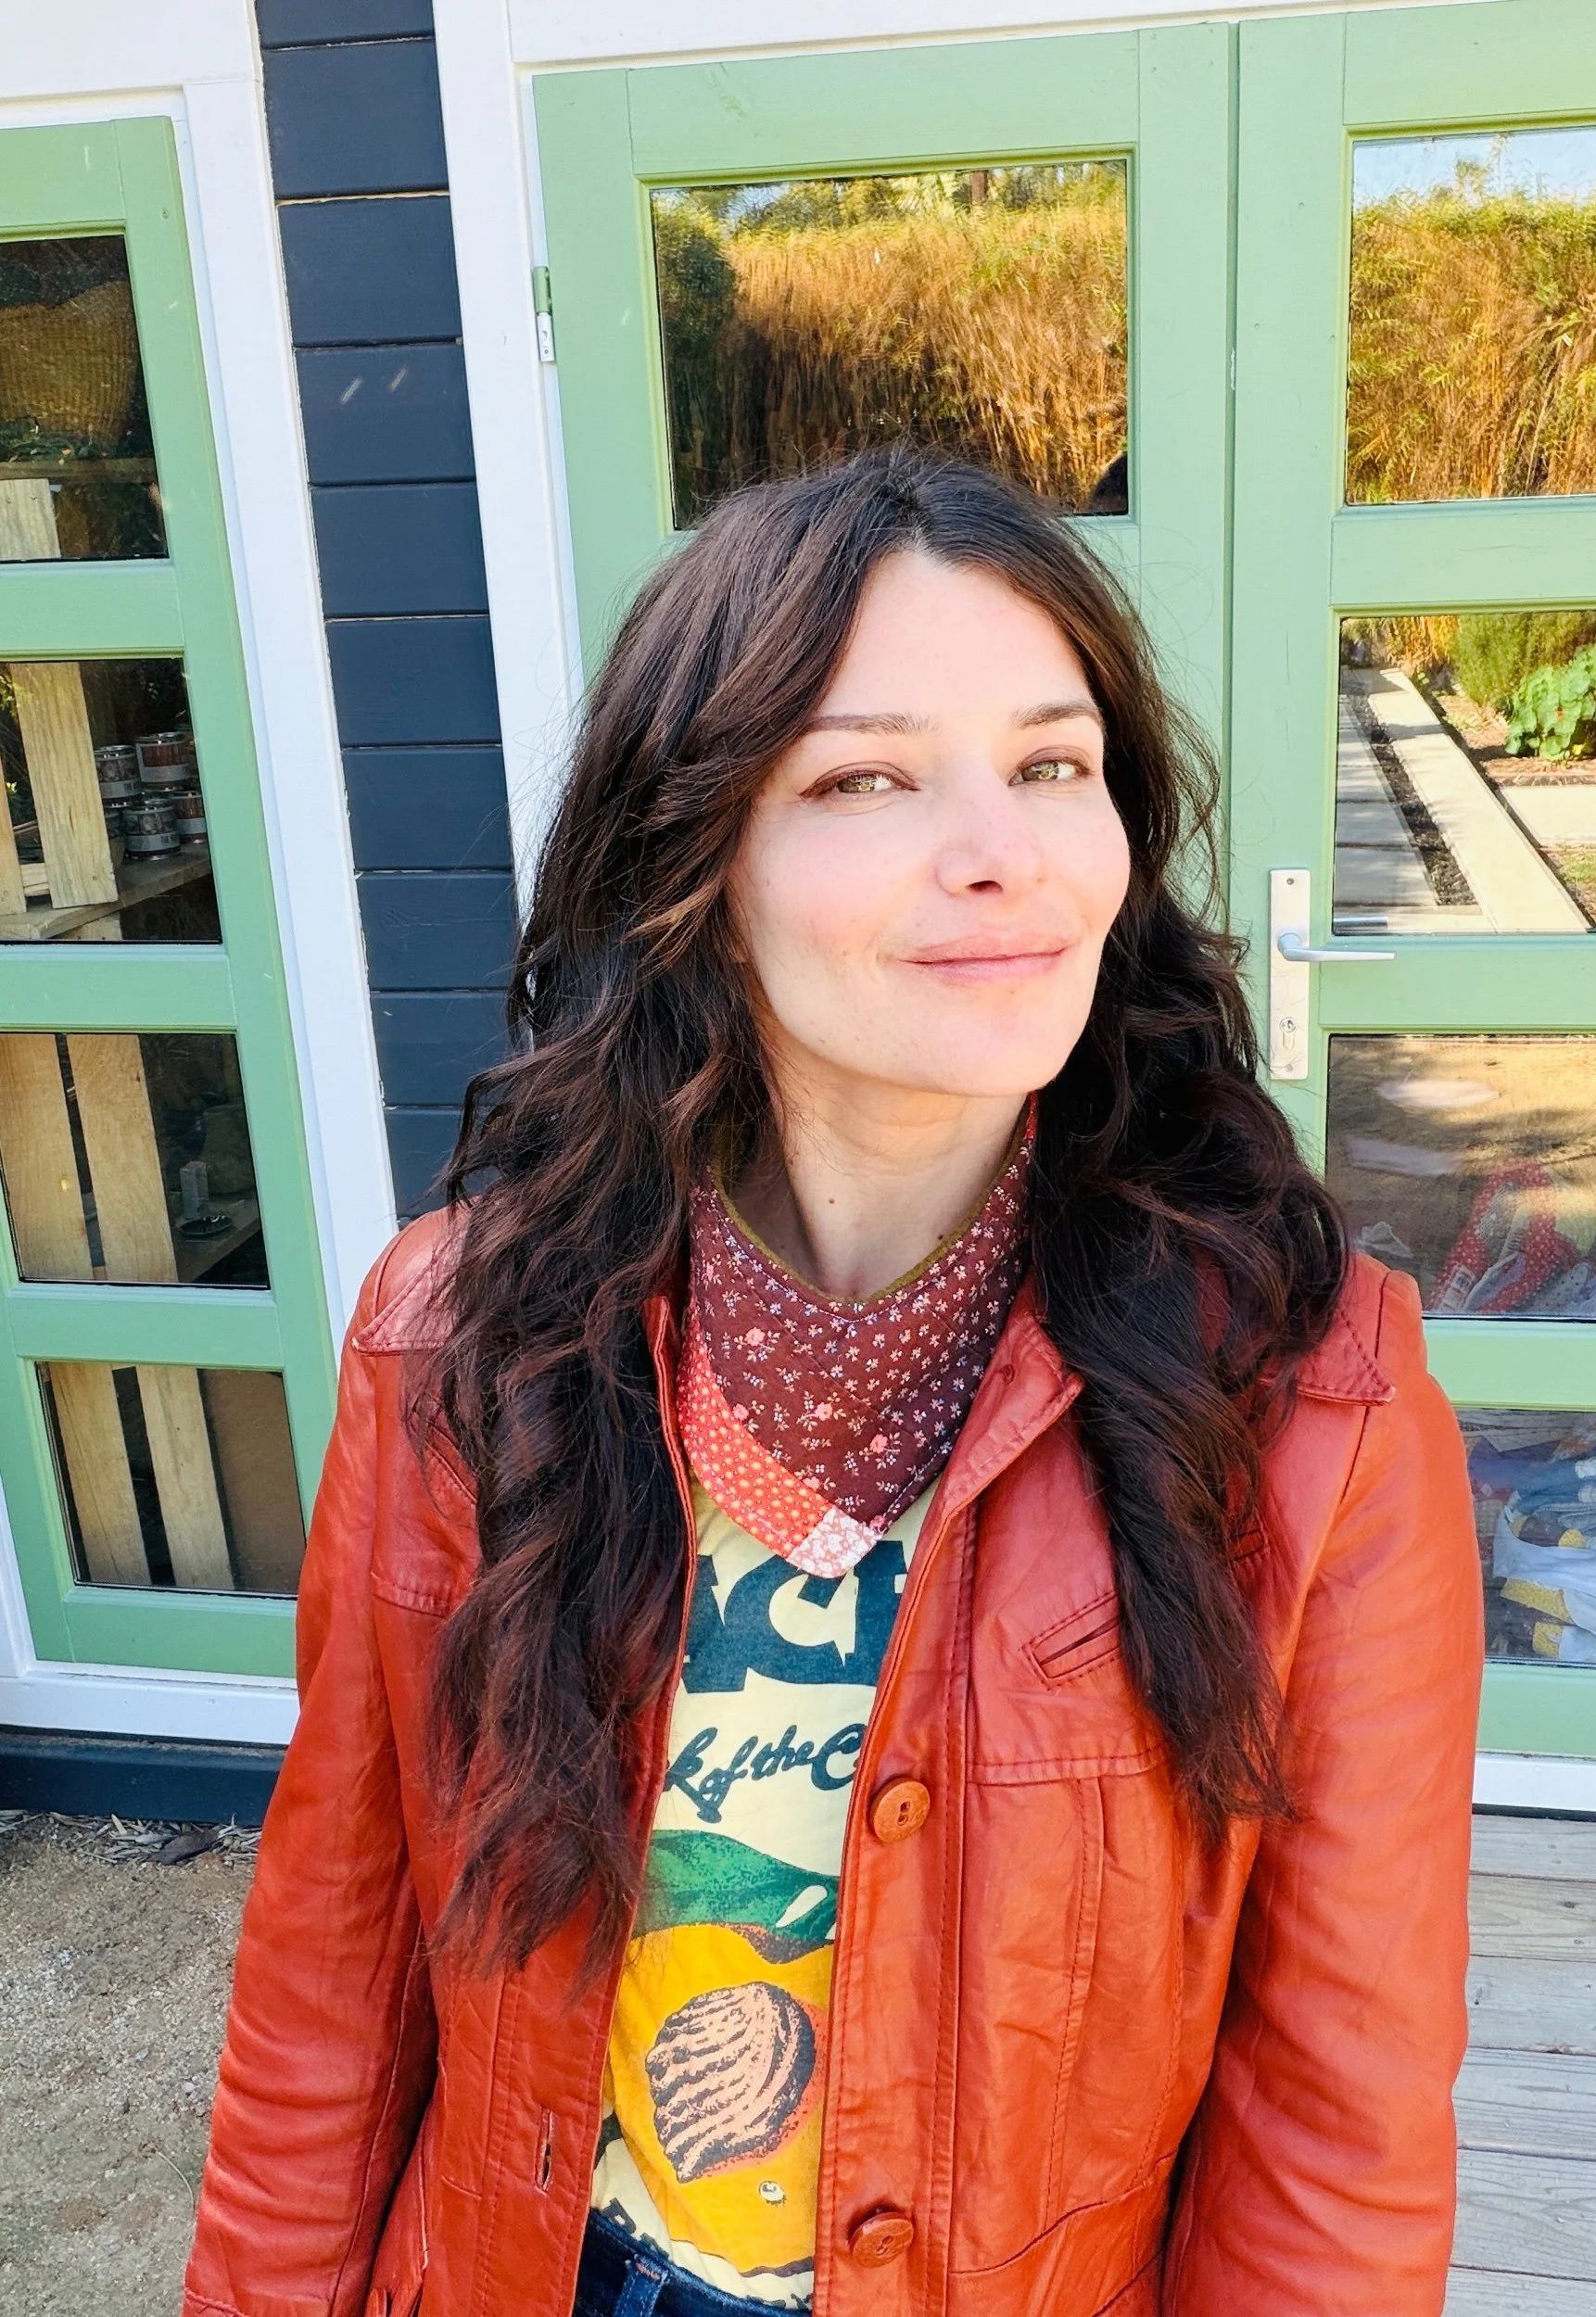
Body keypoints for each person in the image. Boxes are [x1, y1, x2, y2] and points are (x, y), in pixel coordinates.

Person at [184, 450, 1481, 2317]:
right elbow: (337, 1964)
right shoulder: (460, 1338)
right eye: (866, 777)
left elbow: (1336, 2132)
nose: (1003, 849)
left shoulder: (1308, 1398)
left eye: (1052, 764)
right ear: (696, 864)